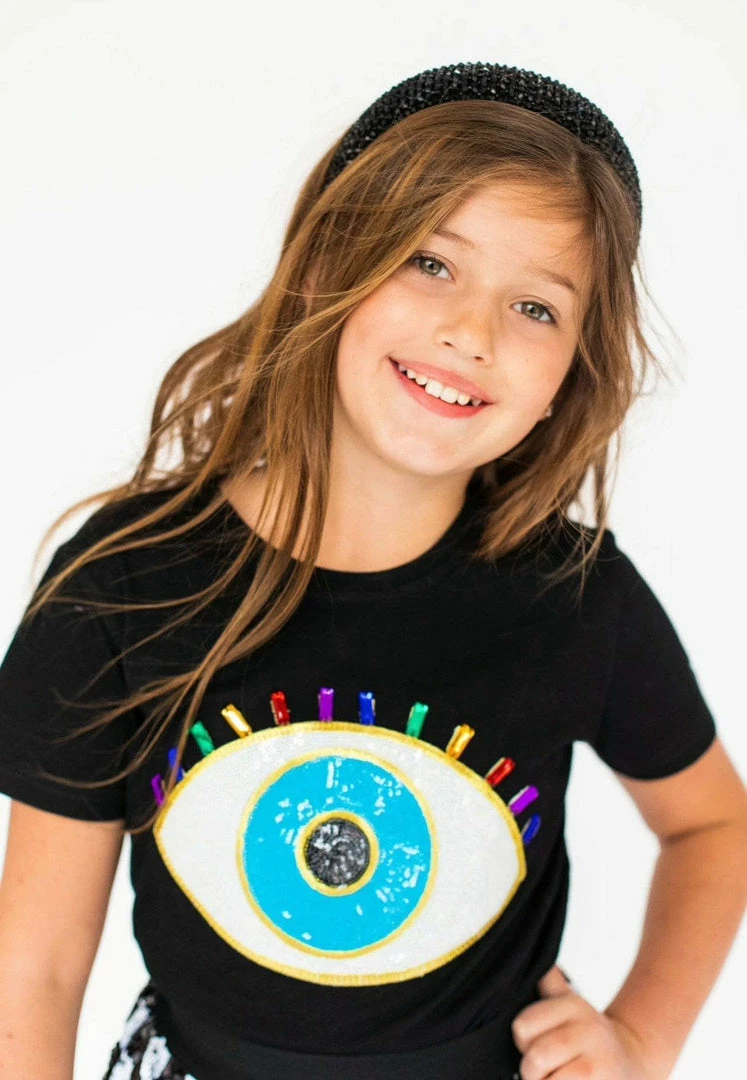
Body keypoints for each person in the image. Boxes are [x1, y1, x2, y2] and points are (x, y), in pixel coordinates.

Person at [0, 59, 745, 1080]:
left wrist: (643, 1040)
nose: (469, 333)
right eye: (431, 263)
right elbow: (36, 969)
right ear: (325, 264)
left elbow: (713, 824)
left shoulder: (575, 598)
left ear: (570, 372)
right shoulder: (121, 585)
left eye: (535, 307)